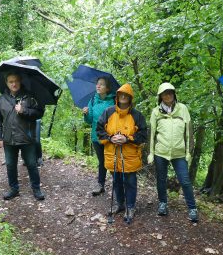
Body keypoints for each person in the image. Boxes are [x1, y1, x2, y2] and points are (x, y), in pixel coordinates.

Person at [147, 82, 198, 223]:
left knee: (185, 181)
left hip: (179, 153)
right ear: (160, 96)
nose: (167, 95)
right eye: (164, 93)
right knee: (161, 180)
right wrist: (150, 153)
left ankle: (192, 208)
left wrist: (189, 151)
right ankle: (162, 204)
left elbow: (189, 132)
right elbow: (151, 134)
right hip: (161, 152)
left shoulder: (183, 109)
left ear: (174, 94)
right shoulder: (156, 112)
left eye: (170, 92)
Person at [96, 83, 147, 224]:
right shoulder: (108, 112)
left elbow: (143, 135)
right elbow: (99, 130)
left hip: (129, 156)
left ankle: (130, 207)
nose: (123, 96)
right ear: (117, 96)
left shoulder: (137, 115)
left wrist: (127, 138)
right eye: (121, 94)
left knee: (130, 181)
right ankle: (120, 204)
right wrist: (110, 138)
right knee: (116, 181)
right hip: (112, 154)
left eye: (126, 95)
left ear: (130, 98)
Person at [0, 72, 45, 201]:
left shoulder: (29, 96)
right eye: (11, 81)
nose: (14, 84)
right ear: (6, 83)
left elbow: (39, 113)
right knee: (10, 165)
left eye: (16, 80)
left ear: (20, 81)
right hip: (9, 139)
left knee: (32, 164)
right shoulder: (2, 99)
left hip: (26, 137)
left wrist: (24, 111)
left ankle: (36, 189)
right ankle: (14, 189)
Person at [83, 76, 116, 196]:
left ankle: (117, 186)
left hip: (109, 138)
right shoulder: (92, 100)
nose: (98, 86)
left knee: (111, 161)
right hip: (96, 137)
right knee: (102, 161)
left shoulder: (113, 101)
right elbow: (89, 120)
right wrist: (86, 114)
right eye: (97, 84)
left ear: (107, 88)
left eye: (101, 84)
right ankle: (100, 185)